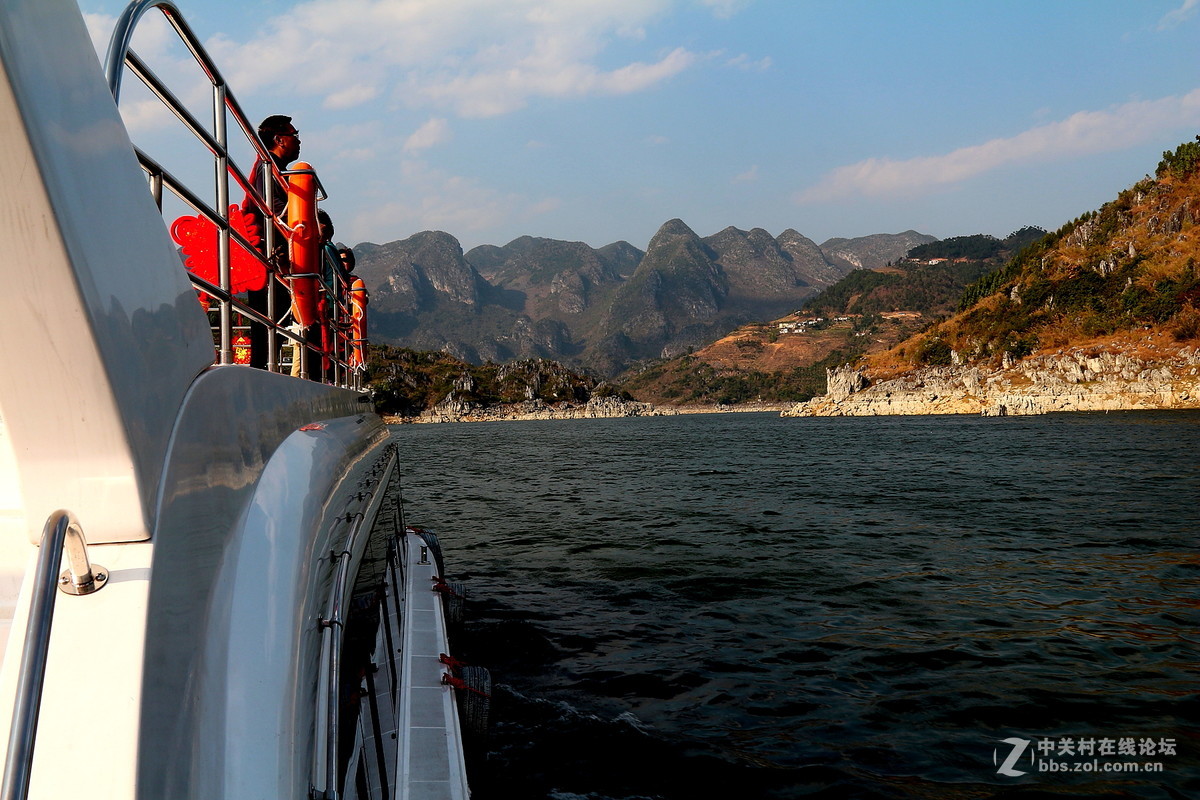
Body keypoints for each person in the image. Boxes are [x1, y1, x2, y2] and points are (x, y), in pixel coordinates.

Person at [243, 115, 301, 370]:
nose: (298, 141)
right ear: (279, 139)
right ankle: (261, 370)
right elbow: (272, 207)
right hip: (265, 255)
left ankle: (266, 368)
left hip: (271, 255)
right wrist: (304, 218)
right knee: (266, 321)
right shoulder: (268, 169)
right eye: (294, 135)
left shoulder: (273, 169)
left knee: (273, 321)